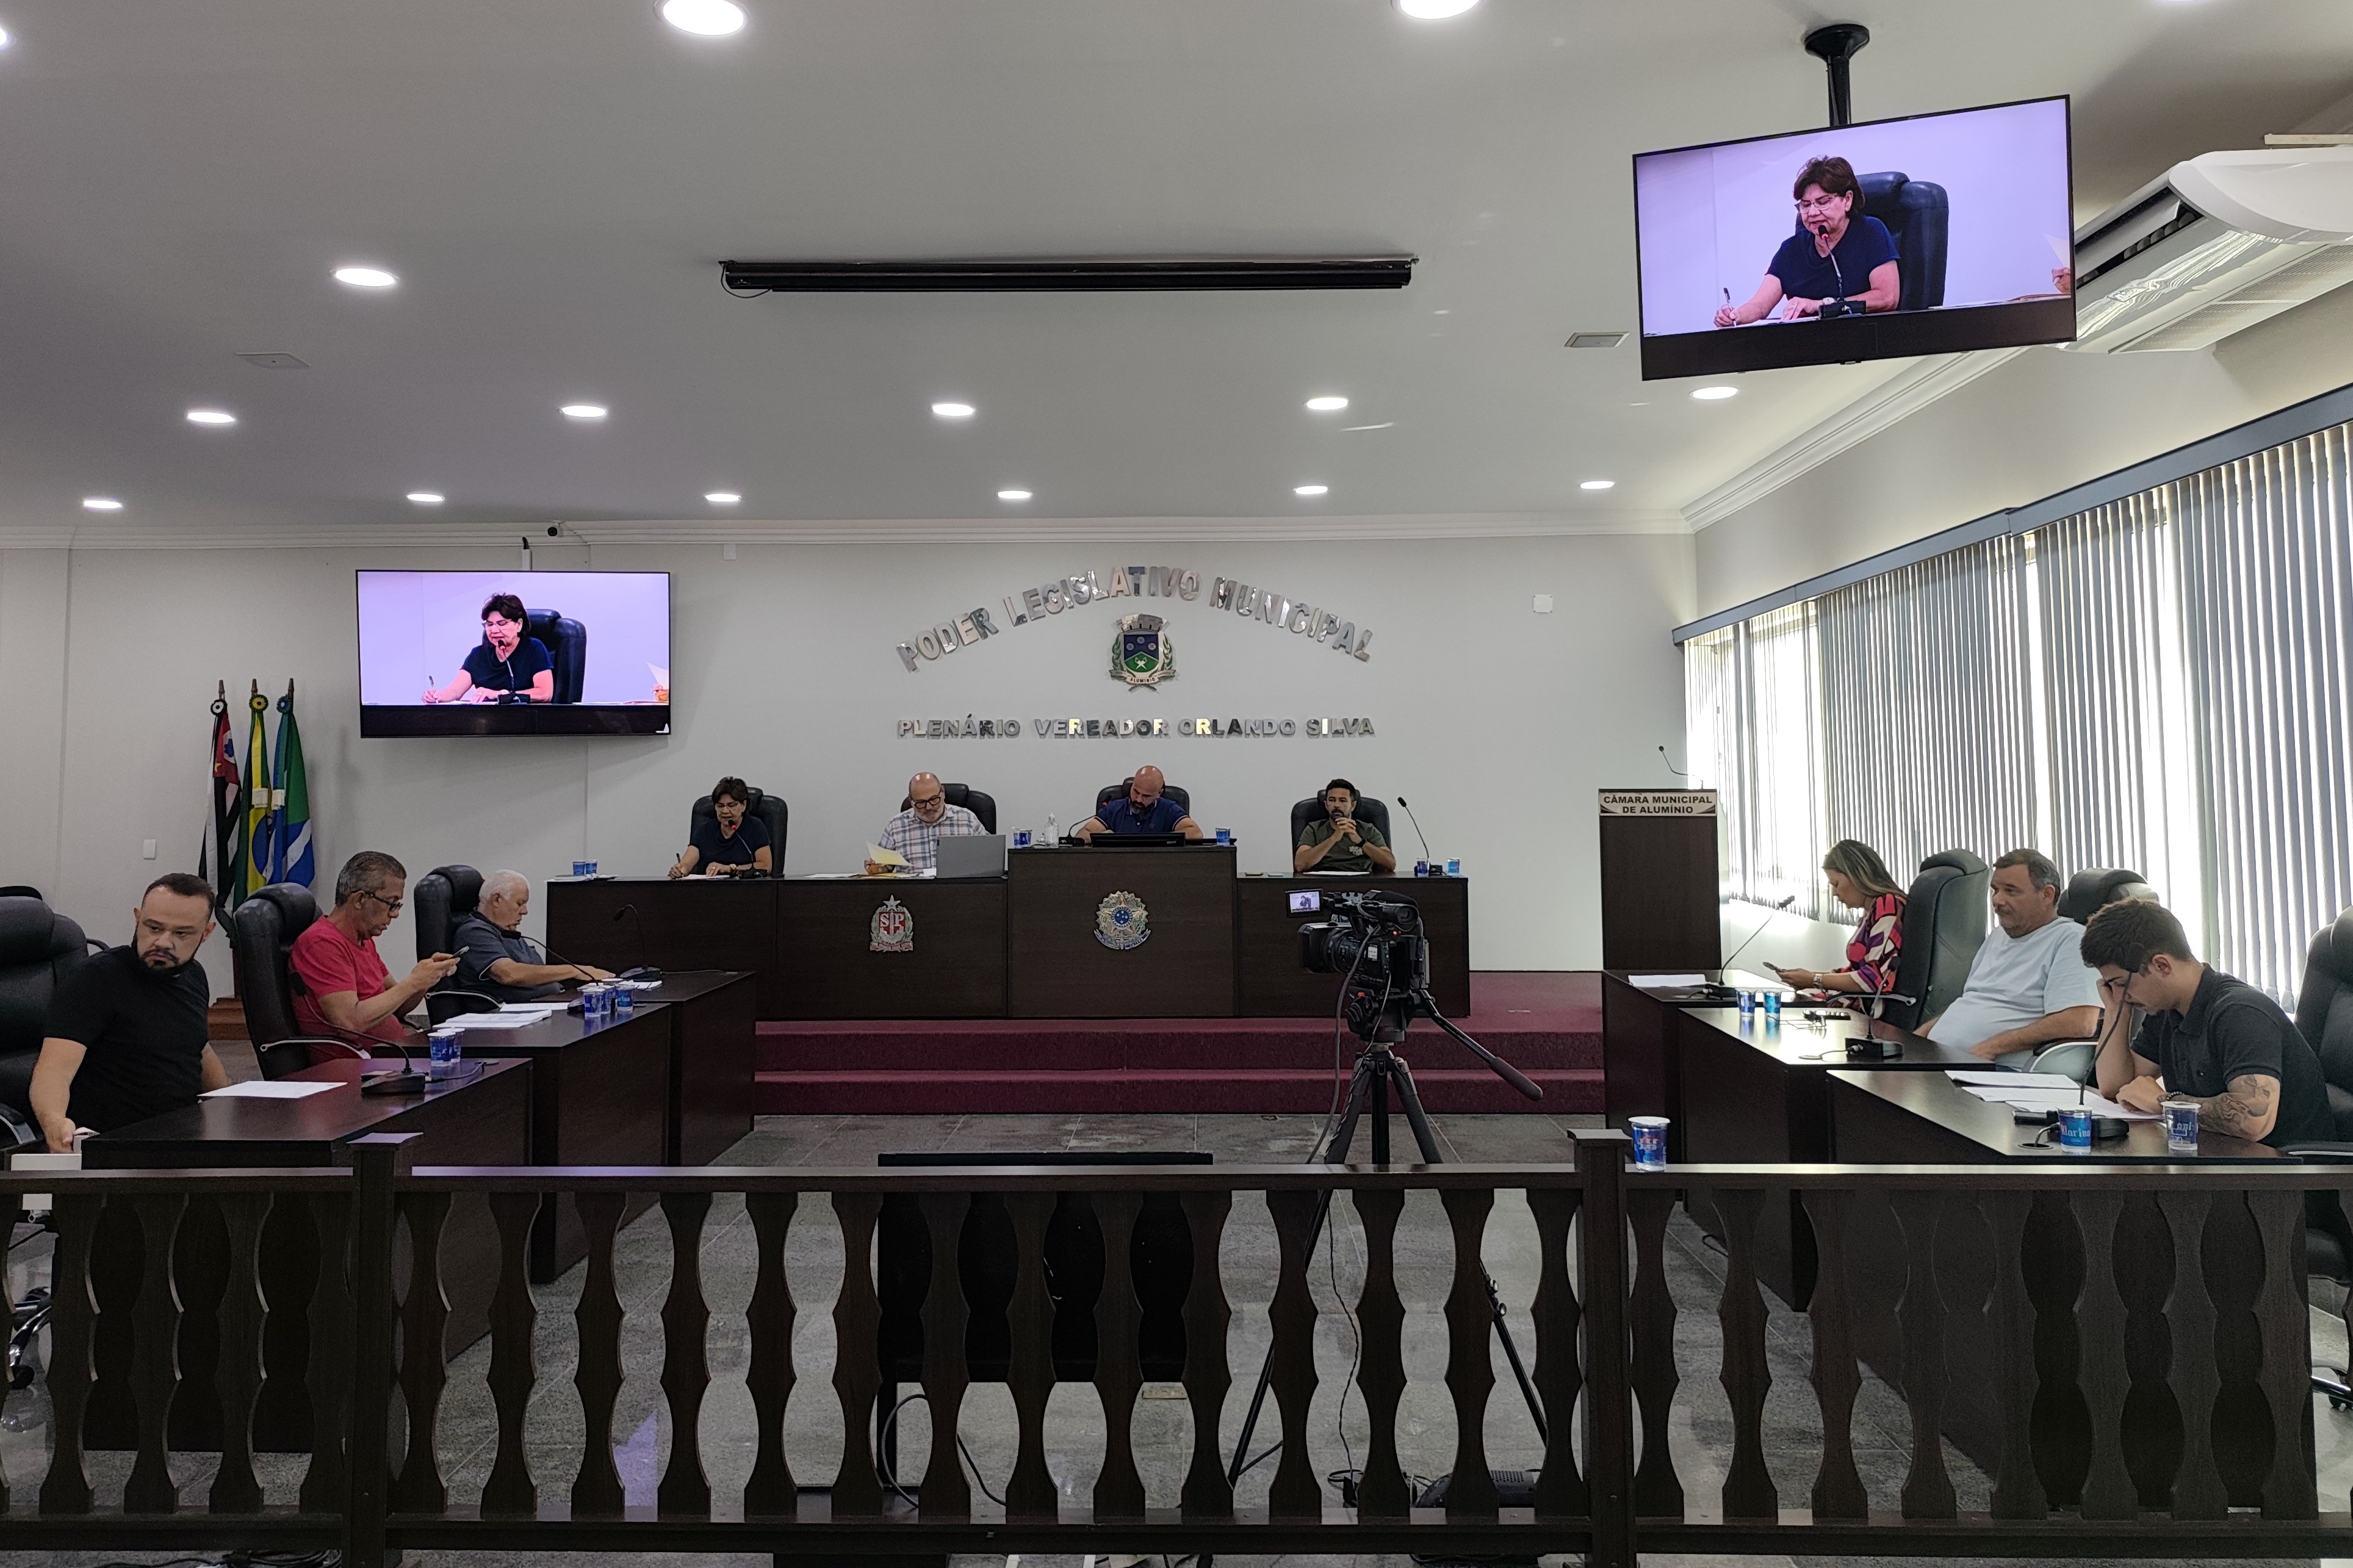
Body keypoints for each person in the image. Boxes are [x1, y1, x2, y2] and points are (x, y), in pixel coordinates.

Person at [2085, 898, 2332, 1148]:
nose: (2118, 994)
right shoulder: (2167, 1010)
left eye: (2120, 983)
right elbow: (2116, 1087)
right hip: (2218, 1156)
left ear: (2162, 965)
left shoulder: (2240, 1012)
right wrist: (2116, 1011)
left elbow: (2253, 1121)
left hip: (2285, 1164)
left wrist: (2165, 1102)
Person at [29, 874, 231, 1153]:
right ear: (138, 919)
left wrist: (230, 1102)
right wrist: (54, 1121)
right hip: (116, 1145)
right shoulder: (95, 979)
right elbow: (54, 1069)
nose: (163, 942)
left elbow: (198, 1047)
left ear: (206, 933)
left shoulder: (194, 976)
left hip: (181, 1135)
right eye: (154, 928)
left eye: (181, 933)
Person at [1919, 849, 2102, 1064]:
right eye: (1995, 890)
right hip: (1946, 1059)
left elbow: (2080, 1022)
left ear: (2047, 894)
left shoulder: (2070, 939)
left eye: (2011, 891)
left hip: (2000, 1070)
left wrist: (1993, 1047)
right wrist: (1919, 1037)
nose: (1997, 900)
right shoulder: (1999, 935)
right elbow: (1973, 1002)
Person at [290, 850, 456, 1051]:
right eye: (391, 904)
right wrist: (412, 982)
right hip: (357, 1063)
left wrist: (425, 980)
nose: (395, 914)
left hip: (394, 1055)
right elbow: (350, 1022)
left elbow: (399, 1007)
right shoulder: (321, 943)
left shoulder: (364, 940)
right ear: (360, 900)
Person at [1714, 155, 1901, 329]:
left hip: (1864, 338)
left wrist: (1821, 306)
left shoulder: (1870, 232)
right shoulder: (1792, 249)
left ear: (1847, 200)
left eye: (1823, 202)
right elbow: (1760, 306)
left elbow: (1887, 298)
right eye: (1805, 205)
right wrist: (1736, 316)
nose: (1812, 213)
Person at [1768, 839, 1905, 1015]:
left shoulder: (1888, 906)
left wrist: (1814, 979)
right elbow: (1856, 971)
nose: (1834, 892)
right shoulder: (1872, 911)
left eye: (1836, 884)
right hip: (1852, 1005)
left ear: (1857, 876)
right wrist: (1808, 978)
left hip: (1871, 1016)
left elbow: (1874, 978)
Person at [453, 871, 612, 1003]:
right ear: (496, 900)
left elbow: (537, 973)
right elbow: (509, 974)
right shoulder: (474, 932)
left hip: (547, 1005)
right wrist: (575, 970)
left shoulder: (507, 931)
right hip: (510, 1017)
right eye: (519, 903)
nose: (525, 911)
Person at [422, 592, 554, 705]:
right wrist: (437, 696)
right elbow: (455, 691)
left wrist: (500, 695)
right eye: (490, 624)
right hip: (486, 722)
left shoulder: (534, 649)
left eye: (502, 624)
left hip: (526, 721)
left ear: (518, 625)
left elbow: (544, 693)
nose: (494, 630)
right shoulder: (479, 655)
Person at [868, 772, 987, 874]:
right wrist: (876, 868)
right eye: (921, 803)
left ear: (943, 793)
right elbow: (883, 866)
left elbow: (990, 857)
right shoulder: (896, 826)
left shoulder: (967, 819)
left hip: (961, 890)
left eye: (934, 800)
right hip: (913, 891)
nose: (929, 807)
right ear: (911, 801)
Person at [671, 776, 774, 877]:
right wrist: (680, 870)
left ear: (743, 805)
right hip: (710, 887)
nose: (725, 811)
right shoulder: (705, 830)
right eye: (720, 806)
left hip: (745, 887)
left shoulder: (755, 827)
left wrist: (729, 869)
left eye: (731, 805)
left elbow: (765, 866)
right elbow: (687, 864)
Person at [1073, 764, 1202, 842]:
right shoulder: (1114, 808)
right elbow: (1082, 835)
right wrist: (1103, 837)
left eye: (1146, 796)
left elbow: (1196, 833)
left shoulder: (1168, 809)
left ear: (1159, 793)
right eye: (1136, 792)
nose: (1139, 799)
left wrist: (1162, 840)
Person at [1294, 778, 1396, 874]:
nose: (1336, 805)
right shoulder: (1314, 829)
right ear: (1326, 805)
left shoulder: (1368, 829)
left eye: (1342, 801)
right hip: (1323, 881)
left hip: (1362, 882)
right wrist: (1333, 839)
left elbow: (1391, 864)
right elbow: (1300, 865)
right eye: (1332, 800)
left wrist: (1360, 842)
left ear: (1353, 805)